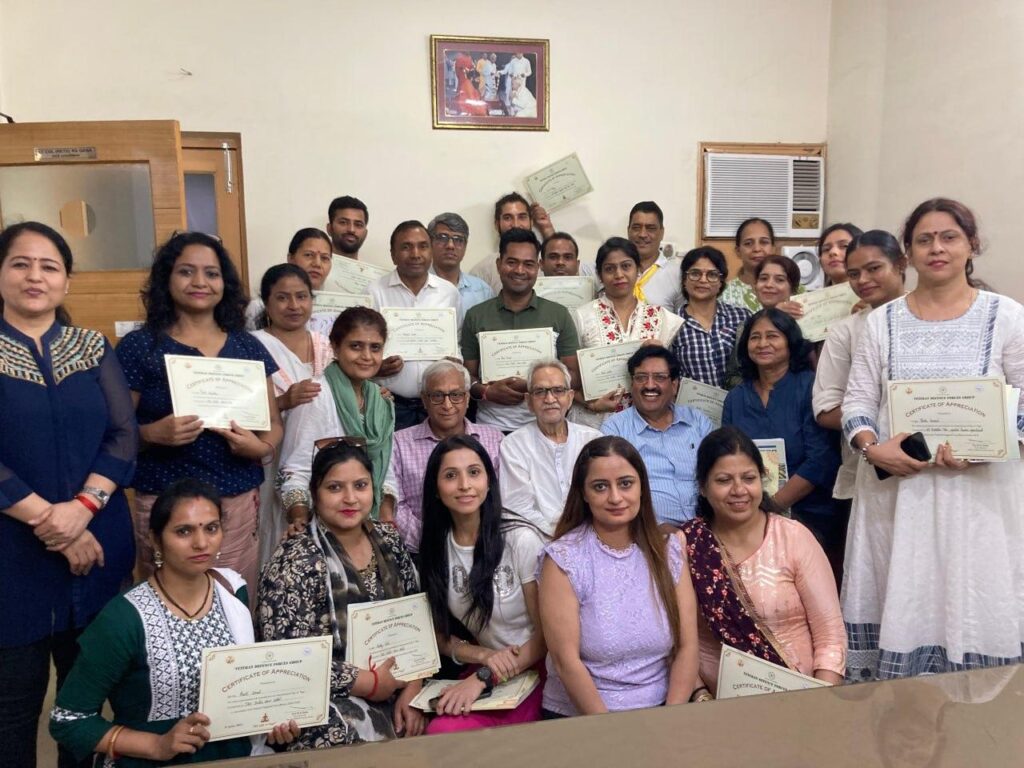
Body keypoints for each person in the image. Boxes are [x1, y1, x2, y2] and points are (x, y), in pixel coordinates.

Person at [842, 198, 1024, 680]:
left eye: (949, 237)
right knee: (906, 598)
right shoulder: (881, 322)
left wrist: (991, 445)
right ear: (908, 253)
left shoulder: (1007, 316)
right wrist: (870, 447)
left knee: (979, 600)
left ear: (971, 245)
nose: (937, 248)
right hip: (899, 497)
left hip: (982, 498)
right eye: (924, 239)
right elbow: (856, 402)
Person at [0, 222, 136, 768]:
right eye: (20, 263)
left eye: (49, 266)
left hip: (97, 544)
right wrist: (52, 523)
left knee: (83, 707)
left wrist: (81, 510)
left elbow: (123, 436)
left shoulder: (93, 347)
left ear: (66, 281)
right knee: (13, 708)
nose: (35, 276)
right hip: (12, 554)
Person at [50, 479, 299, 766]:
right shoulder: (124, 618)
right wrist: (156, 745)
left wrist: (270, 723)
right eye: (184, 531)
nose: (201, 543)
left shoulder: (233, 592)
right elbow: (68, 720)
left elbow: (245, 696)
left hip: (235, 759)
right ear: (155, 540)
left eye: (211, 528)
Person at [116, 232, 283, 594]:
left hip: (234, 499)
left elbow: (273, 425)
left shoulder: (247, 346)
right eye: (186, 271)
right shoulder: (140, 346)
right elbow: (115, 430)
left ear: (225, 283)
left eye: (211, 273)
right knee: (170, 601)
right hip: (165, 500)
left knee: (233, 597)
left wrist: (260, 449)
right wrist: (151, 433)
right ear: (166, 279)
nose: (199, 282)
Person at [258, 442, 424, 747]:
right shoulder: (295, 559)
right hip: (328, 695)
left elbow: (415, 624)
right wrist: (368, 683)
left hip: (398, 681)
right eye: (335, 487)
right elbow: (287, 660)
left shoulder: (388, 540)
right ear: (314, 492)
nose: (350, 498)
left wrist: (414, 686)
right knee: (335, 732)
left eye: (360, 485)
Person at [537, 436, 699, 716]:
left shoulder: (667, 551)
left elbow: (688, 647)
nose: (615, 497)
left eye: (625, 483)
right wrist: (615, 733)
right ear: (584, 493)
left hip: (662, 712)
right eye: (600, 486)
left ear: (641, 487)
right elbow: (566, 662)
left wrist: (671, 720)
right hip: (585, 717)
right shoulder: (564, 559)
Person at [680, 427, 846, 697]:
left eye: (749, 478)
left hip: (801, 697)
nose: (739, 490)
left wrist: (820, 701)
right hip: (716, 702)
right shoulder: (688, 545)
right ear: (702, 486)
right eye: (723, 480)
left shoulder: (793, 538)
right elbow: (676, 639)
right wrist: (700, 695)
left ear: (762, 478)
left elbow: (830, 636)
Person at [419, 435, 547, 732]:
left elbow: (548, 636)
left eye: (474, 472)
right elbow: (438, 634)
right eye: (451, 476)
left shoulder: (520, 539)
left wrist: (485, 677)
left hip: (537, 666)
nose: (465, 485)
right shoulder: (436, 546)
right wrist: (483, 657)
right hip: (488, 667)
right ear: (436, 488)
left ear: (489, 481)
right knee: (440, 729)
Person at [812, 231, 906, 585]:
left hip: (938, 470)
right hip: (867, 471)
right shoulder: (847, 331)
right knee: (875, 577)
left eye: (874, 268)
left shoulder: (935, 318)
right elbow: (825, 409)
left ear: (901, 264)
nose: (863, 280)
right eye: (853, 274)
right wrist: (873, 431)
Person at [722, 308, 841, 555]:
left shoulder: (810, 387)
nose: (762, 344)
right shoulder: (735, 398)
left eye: (772, 336)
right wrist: (752, 510)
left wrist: (770, 507)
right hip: (747, 513)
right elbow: (728, 459)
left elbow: (820, 460)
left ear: (790, 341)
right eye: (755, 337)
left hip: (809, 514)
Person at [278, 306, 395, 526]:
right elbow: (295, 470)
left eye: (375, 347)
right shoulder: (315, 396)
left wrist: (385, 516)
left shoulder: (381, 401)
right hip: (323, 523)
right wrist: (300, 522)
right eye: (355, 346)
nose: (366, 356)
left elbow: (386, 467)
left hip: (368, 523)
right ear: (335, 346)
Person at [250, 263, 334, 568]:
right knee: (272, 531)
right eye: (283, 298)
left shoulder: (325, 344)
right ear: (267, 303)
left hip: (324, 456)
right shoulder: (253, 345)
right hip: (270, 456)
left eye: (302, 296)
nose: (294, 306)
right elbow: (240, 410)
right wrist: (283, 402)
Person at [461, 228, 581, 434]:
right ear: (499, 264)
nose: (519, 270)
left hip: (546, 427)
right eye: (512, 262)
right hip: (491, 428)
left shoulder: (558, 314)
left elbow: (574, 375)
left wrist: (535, 385)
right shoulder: (476, 315)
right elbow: (467, 376)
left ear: (538, 268)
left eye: (528, 264)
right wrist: (487, 392)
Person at [385, 360, 503, 555]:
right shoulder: (398, 443)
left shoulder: (494, 439)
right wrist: (440, 542)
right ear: (424, 400)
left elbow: (502, 498)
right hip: (422, 551)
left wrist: (473, 540)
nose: (447, 405)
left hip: (485, 546)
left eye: (456, 395)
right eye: (437, 396)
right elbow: (397, 506)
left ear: (467, 398)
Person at [572, 237, 683, 427]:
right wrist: (590, 404)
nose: (619, 274)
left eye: (626, 266)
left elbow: (671, 378)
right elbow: (566, 376)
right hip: (593, 423)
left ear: (638, 269)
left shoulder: (662, 318)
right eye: (609, 269)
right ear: (599, 275)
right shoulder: (582, 316)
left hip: (644, 424)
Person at [601, 346, 713, 529]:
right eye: (641, 377)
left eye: (659, 377)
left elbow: (718, 474)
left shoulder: (698, 422)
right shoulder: (615, 430)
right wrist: (654, 529)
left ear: (674, 385)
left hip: (708, 528)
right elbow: (613, 491)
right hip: (648, 532)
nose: (650, 385)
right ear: (632, 384)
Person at [368, 220, 462, 431]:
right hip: (391, 404)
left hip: (440, 405)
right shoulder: (374, 292)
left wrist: (455, 361)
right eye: (406, 247)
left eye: (423, 246)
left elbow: (457, 342)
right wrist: (377, 368)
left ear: (431, 251)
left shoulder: (449, 293)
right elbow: (363, 349)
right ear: (393, 254)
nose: (415, 254)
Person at [499, 360, 601, 536]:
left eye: (558, 390)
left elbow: (601, 496)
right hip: (539, 537)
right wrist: (559, 537)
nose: (550, 399)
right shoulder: (514, 445)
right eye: (540, 392)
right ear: (529, 401)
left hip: (590, 534)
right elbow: (518, 507)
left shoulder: (593, 440)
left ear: (570, 397)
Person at [671, 246, 751, 388]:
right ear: (684, 280)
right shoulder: (672, 324)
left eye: (712, 275)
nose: (703, 280)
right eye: (695, 273)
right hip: (690, 402)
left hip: (739, 400)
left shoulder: (741, 316)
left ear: (721, 282)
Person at [245, 227, 335, 334]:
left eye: (324, 258)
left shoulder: (338, 304)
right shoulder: (258, 307)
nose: (317, 264)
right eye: (309, 255)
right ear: (291, 258)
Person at [469, 192, 556, 294]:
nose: (515, 224)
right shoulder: (483, 271)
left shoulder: (546, 263)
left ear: (531, 222)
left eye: (522, 217)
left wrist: (547, 228)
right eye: (507, 218)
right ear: (497, 224)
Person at [428, 212, 494, 314]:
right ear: (430, 242)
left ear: (465, 246)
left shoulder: (483, 291)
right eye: (443, 238)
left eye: (458, 240)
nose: (450, 246)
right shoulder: (419, 287)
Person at [625, 201, 684, 311]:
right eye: (636, 227)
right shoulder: (611, 271)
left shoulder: (678, 275)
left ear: (662, 232)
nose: (642, 234)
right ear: (628, 230)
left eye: (650, 228)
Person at [721, 217, 778, 311]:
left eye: (764, 242)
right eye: (748, 243)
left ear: (773, 249)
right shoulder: (723, 294)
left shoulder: (795, 291)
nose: (757, 249)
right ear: (738, 251)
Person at [321, 196, 370, 293]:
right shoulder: (314, 271)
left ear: (365, 233)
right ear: (329, 228)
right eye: (343, 222)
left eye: (358, 224)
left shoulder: (374, 281)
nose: (351, 229)